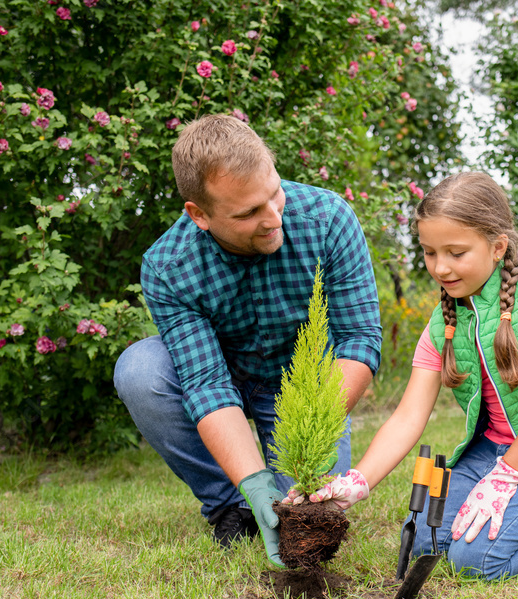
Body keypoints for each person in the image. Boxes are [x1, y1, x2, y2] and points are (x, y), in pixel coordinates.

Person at [292, 171, 518, 579]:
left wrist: (508, 476)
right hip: (490, 448)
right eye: (429, 252)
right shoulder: (440, 324)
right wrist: (358, 480)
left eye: (456, 253)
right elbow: (409, 416)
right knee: (426, 545)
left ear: (498, 247)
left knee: (477, 561)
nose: (440, 267)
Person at [114, 115, 382, 567]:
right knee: (141, 370)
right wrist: (253, 481)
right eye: (247, 213)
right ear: (199, 214)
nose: (273, 218)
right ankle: (230, 504)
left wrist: (309, 426)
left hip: (307, 389)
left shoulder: (329, 218)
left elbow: (359, 342)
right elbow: (206, 385)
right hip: (227, 378)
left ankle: (280, 489)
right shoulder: (168, 266)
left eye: (274, 193)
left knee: (307, 503)